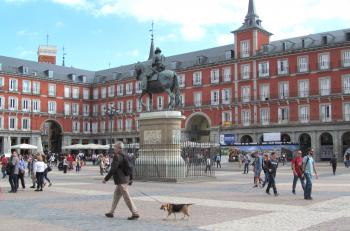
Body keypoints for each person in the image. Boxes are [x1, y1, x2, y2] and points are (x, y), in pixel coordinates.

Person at [103, 141, 139, 220]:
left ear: (119, 148)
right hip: (125, 179)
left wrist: (106, 179)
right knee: (116, 195)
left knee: (126, 197)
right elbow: (131, 167)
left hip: (121, 180)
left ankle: (135, 213)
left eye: (115, 147)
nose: (114, 148)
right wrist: (131, 179)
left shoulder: (117, 156)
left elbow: (113, 169)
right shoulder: (126, 155)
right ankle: (111, 212)